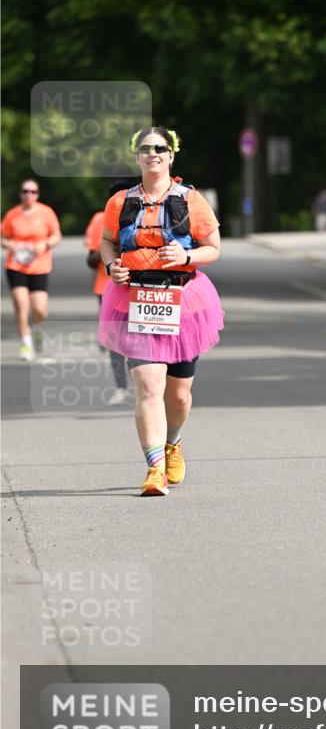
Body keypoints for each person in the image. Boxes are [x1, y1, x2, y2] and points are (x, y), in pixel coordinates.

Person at [98, 127, 223, 497]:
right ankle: (154, 469)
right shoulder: (120, 201)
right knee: (148, 386)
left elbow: (213, 247)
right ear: (137, 156)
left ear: (171, 156)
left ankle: (173, 441)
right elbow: (107, 241)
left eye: (160, 149)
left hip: (183, 302)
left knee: (179, 395)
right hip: (134, 298)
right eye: (145, 149)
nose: (152, 154)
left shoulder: (191, 199)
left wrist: (186, 256)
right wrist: (111, 266)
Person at [84, 180, 133, 405]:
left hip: (141, 288)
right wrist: (112, 252)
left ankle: (145, 385)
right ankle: (121, 387)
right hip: (108, 288)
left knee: (139, 338)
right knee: (115, 340)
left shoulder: (145, 215)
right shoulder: (100, 220)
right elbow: (91, 258)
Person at [1, 178, 61, 360]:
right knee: (21, 304)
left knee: (40, 309)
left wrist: (46, 244)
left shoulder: (46, 213)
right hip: (16, 264)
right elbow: (2, 238)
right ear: (20, 194)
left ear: (37, 194)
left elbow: (57, 236)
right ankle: (26, 343)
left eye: (32, 192)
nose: (29, 195)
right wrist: (11, 245)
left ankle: (36, 328)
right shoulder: (12, 215)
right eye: (25, 191)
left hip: (39, 265)